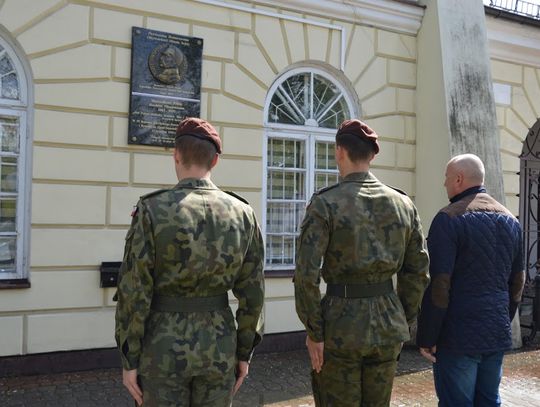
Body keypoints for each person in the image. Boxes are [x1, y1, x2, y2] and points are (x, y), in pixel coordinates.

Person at [114, 117, 265, 406]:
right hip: (219, 346)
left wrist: (129, 357)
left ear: (176, 155)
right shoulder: (243, 213)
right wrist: (244, 352)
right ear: (215, 161)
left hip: (162, 347)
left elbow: (134, 290)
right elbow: (253, 293)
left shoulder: (152, 210)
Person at [294, 119, 430, 406]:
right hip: (387, 321)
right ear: (373, 155)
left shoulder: (325, 203)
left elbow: (306, 275)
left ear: (339, 152)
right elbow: (417, 270)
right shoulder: (403, 204)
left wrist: (314, 331)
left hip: (339, 324)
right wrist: (401, 319)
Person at [416, 154, 525, 407]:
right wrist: (501, 318)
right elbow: (517, 282)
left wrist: (427, 336)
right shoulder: (511, 220)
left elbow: (440, 285)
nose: (444, 184)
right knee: (489, 401)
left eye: (446, 178)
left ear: (458, 178)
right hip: (495, 331)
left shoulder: (448, 219)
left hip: (458, 336)